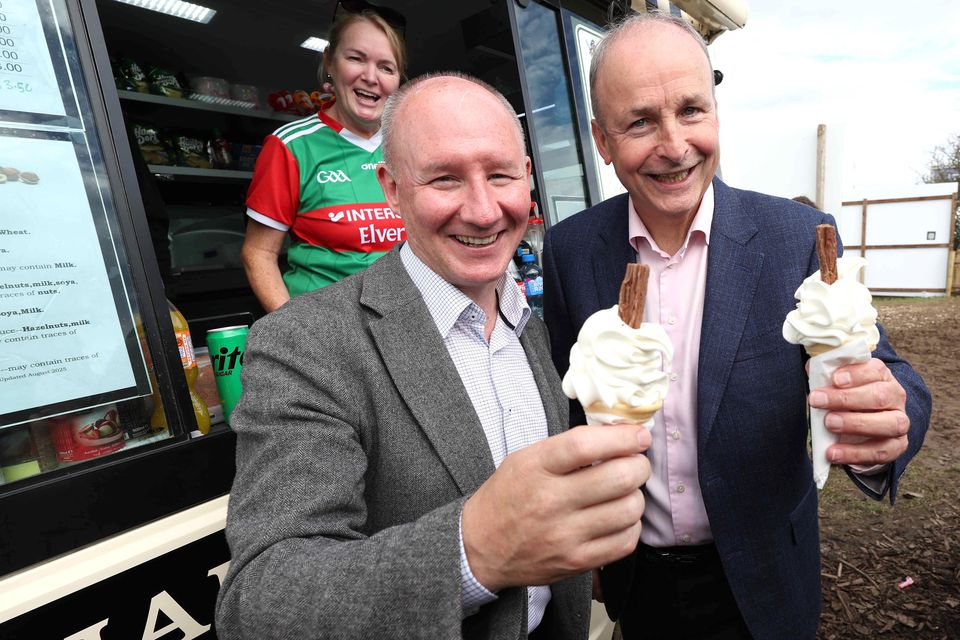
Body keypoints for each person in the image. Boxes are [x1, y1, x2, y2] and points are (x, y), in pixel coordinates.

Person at [215, 72, 654, 640]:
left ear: (527, 179)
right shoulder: (305, 342)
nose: (482, 210)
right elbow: (260, 602)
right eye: (445, 179)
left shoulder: (535, 326)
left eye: (500, 175)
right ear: (391, 189)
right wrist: (474, 551)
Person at [542, 12, 931, 640]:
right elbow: (569, 406)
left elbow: (884, 370)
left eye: (692, 110)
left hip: (765, 583)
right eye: (640, 121)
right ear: (601, 140)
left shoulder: (792, 239)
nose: (674, 145)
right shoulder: (570, 252)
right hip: (637, 583)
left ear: (716, 110)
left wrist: (888, 417)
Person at [241, 4, 407, 313]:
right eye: (356, 58)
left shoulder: (411, 143)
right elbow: (258, 254)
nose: (371, 77)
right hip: (325, 328)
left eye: (386, 67)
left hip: (405, 323)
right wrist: (297, 336)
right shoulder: (290, 146)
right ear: (329, 61)